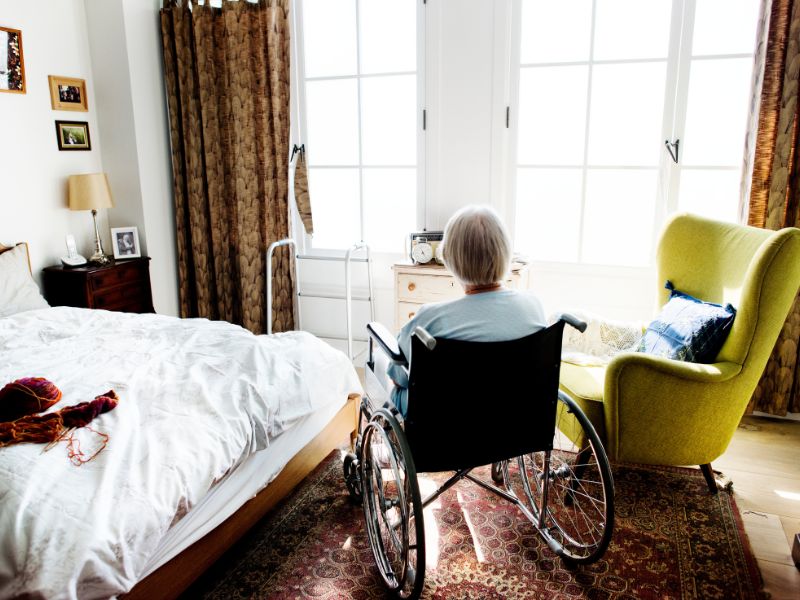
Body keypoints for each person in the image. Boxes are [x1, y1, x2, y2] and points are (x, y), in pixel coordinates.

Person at [386, 205, 547, 416]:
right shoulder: (533, 306)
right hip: (515, 415)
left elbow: (400, 373)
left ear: (450, 258)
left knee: (386, 369)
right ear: (506, 253)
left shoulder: (430, 319)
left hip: (447, 418)